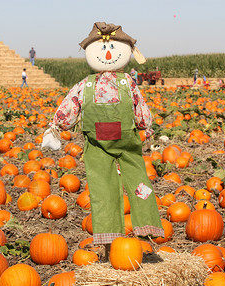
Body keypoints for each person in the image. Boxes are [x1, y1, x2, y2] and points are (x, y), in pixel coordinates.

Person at [42, 22, 164, 259]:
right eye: (102, 48)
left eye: (113, 48)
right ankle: (111, 239)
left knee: (139, 183)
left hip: (124, 143)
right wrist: (56, 127)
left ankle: (146, 227)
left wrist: (145, 126)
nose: (108, 53)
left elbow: (139, 108)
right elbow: (71, 106)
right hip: (99, 145)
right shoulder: (86, 85)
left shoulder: (127, 83)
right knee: (102, 190)